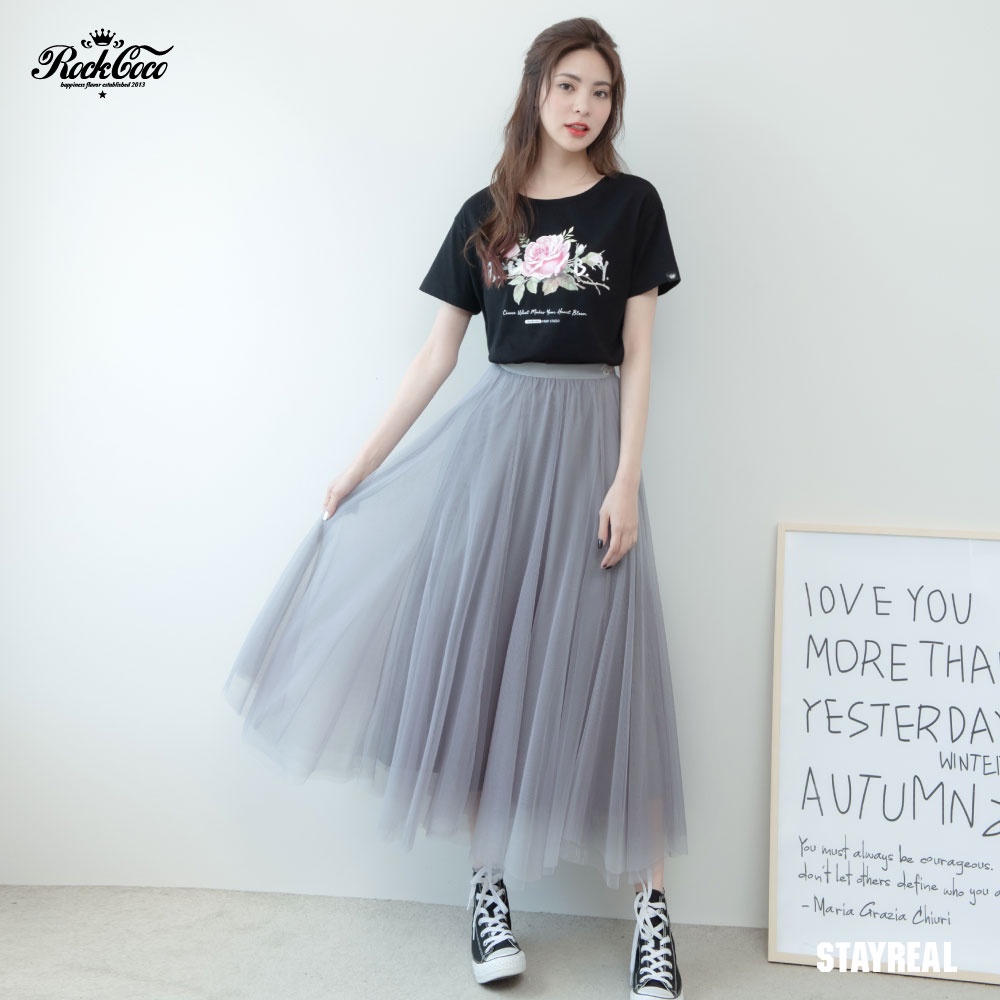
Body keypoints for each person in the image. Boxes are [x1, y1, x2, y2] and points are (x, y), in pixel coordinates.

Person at [224, 16, 687, 1000]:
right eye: (568, 85)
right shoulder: (487, 212)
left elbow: (640, 352)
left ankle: (652, 915)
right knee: (486, 666)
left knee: (615, 673)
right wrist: (359, 466)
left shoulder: (632, 205)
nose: (583, 106)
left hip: (590, 455)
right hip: (497, 458)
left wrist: (625, 477)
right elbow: (438, 355)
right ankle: (488, 892)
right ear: (535, 90)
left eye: (601, 91)